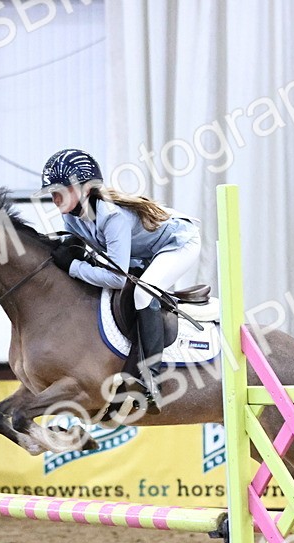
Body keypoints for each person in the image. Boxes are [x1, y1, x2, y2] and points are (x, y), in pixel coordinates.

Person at [41, 148, 201, 410]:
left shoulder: (111, 216)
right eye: (51, 191)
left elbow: (117, 278)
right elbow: (78, 255)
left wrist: (72, 267)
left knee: (142, 293)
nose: (54, 197)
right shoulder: (70, 216)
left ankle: (151, 378)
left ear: (84, 189)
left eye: (60, 189)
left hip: (178, 244)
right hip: (143, 253)